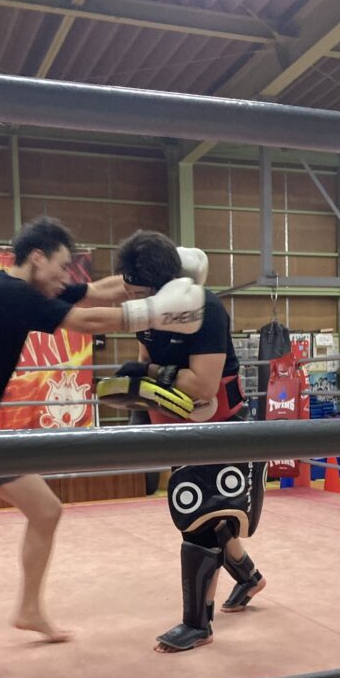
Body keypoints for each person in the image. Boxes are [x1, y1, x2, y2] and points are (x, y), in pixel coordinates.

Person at [0, 216, 204, 678]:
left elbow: (97, 292)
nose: (67, 279)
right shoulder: (7, 294)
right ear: (37, 257)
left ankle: (28, 609)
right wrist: (156, 312)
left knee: (46, 510)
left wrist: (152, 278)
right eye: (63, 268)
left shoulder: (31, 289)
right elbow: (87, 319)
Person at [102, 230, 267, 654]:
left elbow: (203, 384)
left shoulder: (205, 309)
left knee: (200, 518)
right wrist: (139, 400)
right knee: (206, 516)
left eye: (138, 292)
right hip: (177, 424)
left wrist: (149, 373)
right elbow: (147, 361)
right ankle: (249, 578)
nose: (132, 298)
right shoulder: (146, 313)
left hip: (220, 425)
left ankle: (198, 625)